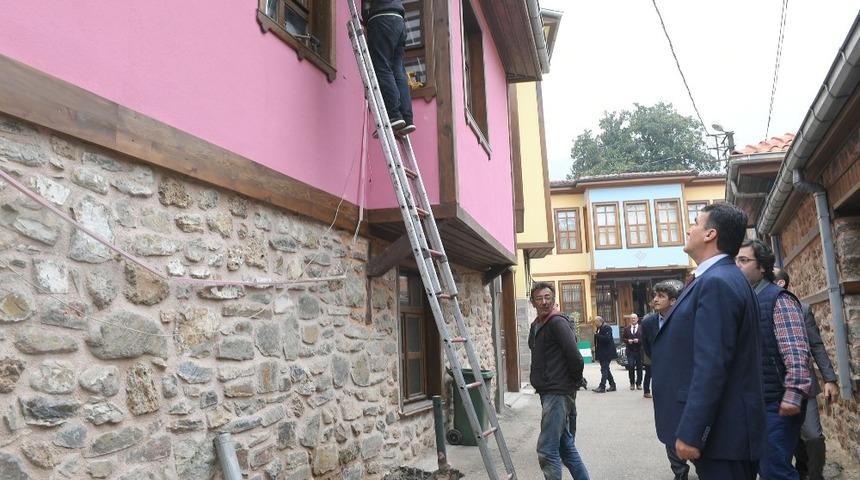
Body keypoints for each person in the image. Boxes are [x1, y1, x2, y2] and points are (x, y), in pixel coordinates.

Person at [651, 203, 765, 480]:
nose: (689, 228)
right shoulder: (717, 278)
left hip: (723, 435)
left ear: (710, 234)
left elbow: (712, 364)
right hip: (723, 434)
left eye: (695, 223)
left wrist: (692, 431)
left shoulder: (717, 282)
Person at [736, 240, 812, 480]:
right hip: (750, 403)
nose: (737, 265)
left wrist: (793, 394)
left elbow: (797, 351)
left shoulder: (779, 299)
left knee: (774, 470)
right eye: (735, 260)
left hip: (776, 402)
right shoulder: (742, 300)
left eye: (744, 260)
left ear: (762, 268)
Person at [774, 268, 839, 480]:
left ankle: (815, 475)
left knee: (813, 435)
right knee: (790, 438)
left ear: (781, 283)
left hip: (804, 385)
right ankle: (801, 472)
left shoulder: (802, 309)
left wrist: (830, 379)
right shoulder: (755, 308)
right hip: (773, 386)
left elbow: (816, 345)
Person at [528, 282, 590, 480]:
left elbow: (575, 357)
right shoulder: (536, 325)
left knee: (547, 450)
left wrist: (572, 383)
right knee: (566, 447)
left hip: (557, 392)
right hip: (548, 391)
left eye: (548, 297)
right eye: (539, 298)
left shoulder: (557, 322)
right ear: (533, 302)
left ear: (554, 299)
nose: (544, 302)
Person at [643, 279, 689, 480]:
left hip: (686, 381)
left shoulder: (686, 318)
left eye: (661, 296)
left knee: (690, 425)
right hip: (662, 383)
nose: (655, 299)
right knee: (668, 427)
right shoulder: (648, 322)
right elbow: (649, 350)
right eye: (655, 295)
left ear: (673, 300)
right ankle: (680, 473)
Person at [362, 0, 416, 135]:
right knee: (398, 70)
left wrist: (366, 16)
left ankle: (393, 115)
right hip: (399, 20)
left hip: (382, 18)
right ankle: (407, 118)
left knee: (382, 67)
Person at [591, 316, 617, 393]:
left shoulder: (607, 327)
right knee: (606, 369)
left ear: (600, 321)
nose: (594, 323)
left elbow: (607, 338)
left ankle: (602, 386)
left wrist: (596, 335)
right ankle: (613, 385)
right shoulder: (599, 328)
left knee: (604, 369)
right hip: (602, 353)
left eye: (595, 322)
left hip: (607, 353)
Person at [622, 313, 644, 390]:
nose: (633, 319)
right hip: (630, 351)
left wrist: (638, 340)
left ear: (637, 319)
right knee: (631, 366)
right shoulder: (626, 328)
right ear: (630, 320)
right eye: (632, 318)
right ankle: (632, 383)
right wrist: (628, 341)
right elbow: (623, 339)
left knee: (639, 368)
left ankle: (639, 383)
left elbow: (645, 338)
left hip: (639, 351)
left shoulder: (642, 328)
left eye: (634, 318)